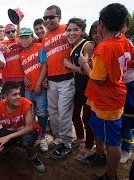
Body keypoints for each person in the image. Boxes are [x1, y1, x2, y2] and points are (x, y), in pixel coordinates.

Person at [78, 3, 132, 179]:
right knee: (99, 130)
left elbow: (98, 79)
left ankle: (112, 176)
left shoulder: (104, 47)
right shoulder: (124, 40)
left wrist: (84, 63)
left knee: (112, 142)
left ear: (101, 24)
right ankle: (101, 157)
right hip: (109, 96)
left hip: (107, 100)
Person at [42, 5, 74, 160]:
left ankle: (67, 144)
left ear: (59, 18)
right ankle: (58, 137)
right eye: (45, 18)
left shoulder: (67, 29)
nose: (48, 20)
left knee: (64, 113)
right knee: (53, 112)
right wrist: (46, 76)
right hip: (52, 81)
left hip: (67, 79)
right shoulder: (46, 37)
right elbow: (47, 60)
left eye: (51, 17)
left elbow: (84, 42)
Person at [0, 81, 45, 173]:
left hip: (27, 131)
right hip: (11, 130)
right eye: (14, 95)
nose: (18, 97)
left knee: (26, 142)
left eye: (19, 93)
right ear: (5, 96)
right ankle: (12, 145)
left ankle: (33, 156)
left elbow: (29, 128)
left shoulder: (26, 103)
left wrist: (7, 138)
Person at [63, 18, 95, 161]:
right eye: (69, 30)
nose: (71, 33)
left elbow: (88, 70)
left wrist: (70, 66)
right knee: (74, 114)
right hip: (77, 87)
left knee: (86, 118)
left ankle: (89, 147)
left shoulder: (87, 45)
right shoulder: (73, 45)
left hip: (89, 88)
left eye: (75, 29)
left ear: (82, 31)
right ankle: (81, 138)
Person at [18, 27, 48, 152]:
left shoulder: (39, 47)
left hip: (39, 86)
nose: (24, 40)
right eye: (22, 38)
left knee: (41, 112)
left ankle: (42, 138)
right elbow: (24, 69)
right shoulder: (21, 54)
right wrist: (25, 77)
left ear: (32, 37)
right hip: (28, 88)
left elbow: (44, 65)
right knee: (29, 112)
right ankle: (32, 134)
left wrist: (38, 84)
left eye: (27, 37)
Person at [119, 17, 134, 164]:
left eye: (121, 24)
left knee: (127, 120)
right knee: (121, 119)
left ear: (127, 27)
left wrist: (126, 63)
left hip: (130, 85)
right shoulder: (116, 42)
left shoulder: (127, 43)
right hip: (120, 86)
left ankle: (126, 150)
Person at [0, 23, 25, 97]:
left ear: (16, 31)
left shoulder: (21, 41)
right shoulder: (4, 43)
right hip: (7, 79)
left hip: (20, 77)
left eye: (13, 31)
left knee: (20, 100)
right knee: (8, 102)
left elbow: (33, 40)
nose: (11, 33)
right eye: (8, 32)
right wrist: (0, 45)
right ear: (5, 34)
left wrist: (18, 45)